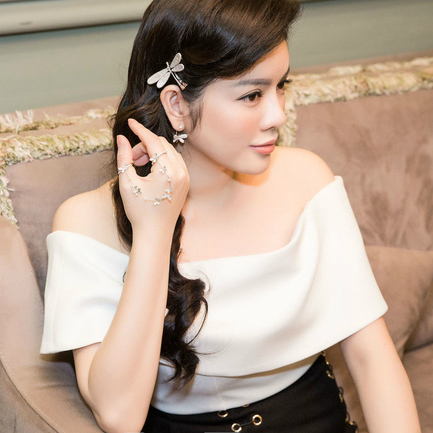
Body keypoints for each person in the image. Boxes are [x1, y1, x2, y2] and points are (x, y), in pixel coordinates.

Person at [40, 0, 421, 432]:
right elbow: (119, 417)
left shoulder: (307, 179)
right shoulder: (85, 223)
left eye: (281, 86)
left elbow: (372, 358)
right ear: (177, 104)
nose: (278, 115)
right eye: (252, 95)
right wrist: (153, 231)